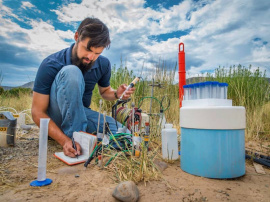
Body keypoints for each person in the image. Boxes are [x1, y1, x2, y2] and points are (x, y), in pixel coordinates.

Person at [31, 17, 135, 158]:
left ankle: (88, 141)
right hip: (56, 118)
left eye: (97, 53)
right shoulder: (51, 64)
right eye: (87, 49)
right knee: (72, 72)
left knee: (125, 136)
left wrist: (117, 93)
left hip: (81, 114)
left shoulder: (103, 64)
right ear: (76, 37)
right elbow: (37, 112)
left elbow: (104, 92)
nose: (91, 57)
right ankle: (76, 141)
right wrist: (64, 140)